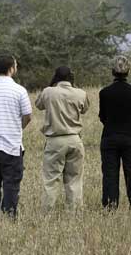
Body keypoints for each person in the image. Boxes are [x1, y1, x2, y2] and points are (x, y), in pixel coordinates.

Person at [0, 55, 32, 217]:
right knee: (11, 184)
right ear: (11, 68)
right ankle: (9, 216)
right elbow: (28, 115)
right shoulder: (19, 90)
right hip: (11, 145)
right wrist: (18, 127)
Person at [35, 66, 90, 211]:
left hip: (54, 140)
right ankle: (74, 213)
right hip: (75, 139)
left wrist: (50, 84)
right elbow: (85, 109)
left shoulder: (48, 92)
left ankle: (47, 213)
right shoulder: (80, 93)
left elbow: (38, 105)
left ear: (56, 77)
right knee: (74, 180)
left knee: (51, 180)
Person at [98, 55, 131, 209]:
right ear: (128, 71)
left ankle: (110, 206)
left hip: (109, 137)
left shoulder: (104, 93)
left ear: (113, 71)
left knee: (110, 175)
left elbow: (102, 116)